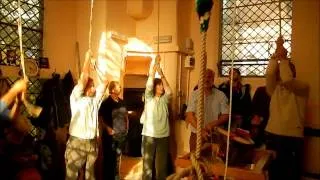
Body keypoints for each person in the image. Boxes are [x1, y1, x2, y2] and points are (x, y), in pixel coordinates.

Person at [265, 37, 309, 180]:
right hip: (273, 134)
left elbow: (288, 80)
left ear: (293, 72)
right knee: (274, 173)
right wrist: (275, 56)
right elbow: (270, 74)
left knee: (291, 175)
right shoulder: (274, 89)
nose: (280, 73)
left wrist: (283, 59)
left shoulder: (302, 88)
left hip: (292, 138)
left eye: (286, 69)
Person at [64, 50, 107, 180]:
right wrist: (87, 59)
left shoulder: (95, 100)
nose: (94, 88)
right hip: (77, 141)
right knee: (71, 176)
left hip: (92, 142)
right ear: (86, 87)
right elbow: (83, 79)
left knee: (90, 176)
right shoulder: (76, 97)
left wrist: (96, 67)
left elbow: (105, 81)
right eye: (92, 86)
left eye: (94, 86)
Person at [140, 56, 172, 180]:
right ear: (154, 87)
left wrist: (161, 73)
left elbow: (169, 91)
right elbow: (148, 85)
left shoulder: (164, 100)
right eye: (158, 85)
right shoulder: (148, 98)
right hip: (149, 135)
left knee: (161, 168)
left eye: (161, 86)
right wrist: (154, 68)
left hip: (163, 136)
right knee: (147, 167)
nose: (161, 87)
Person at [186, 69, 229, 152]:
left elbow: (225, 116)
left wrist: (213, 124)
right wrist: (201, 130)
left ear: (213, 80)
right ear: (200, 79)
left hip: (214, 134)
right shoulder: (194, 94)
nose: (206, 79)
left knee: (214, 162)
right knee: (195, 160)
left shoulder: (221, 95)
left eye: (209, 77)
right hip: (196, 134)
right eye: (204, 77)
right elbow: (190, 115)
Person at [99, 81, 128, 180]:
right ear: (112, 90)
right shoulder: (106, 103)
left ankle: (116, 177)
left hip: (120, 135)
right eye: (118, 87)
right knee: (108, 158)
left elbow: (125, 115)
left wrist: (127, 127)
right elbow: (101, 117)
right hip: (109, 136)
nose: (120, 88)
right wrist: (107, 128)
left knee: (117, 158)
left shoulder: (122, 101)